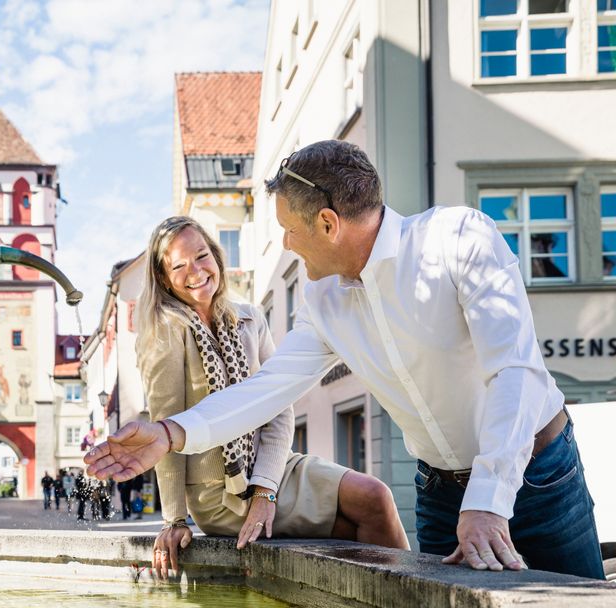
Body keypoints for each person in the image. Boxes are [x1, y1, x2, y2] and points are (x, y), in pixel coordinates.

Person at [86, 140, 605, 580]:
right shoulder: (324, 301)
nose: (287, 244)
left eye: (290, 229)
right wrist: (170, 433)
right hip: (442, 493)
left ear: (329, 225)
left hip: (539, 474)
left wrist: (489, 500)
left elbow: (512, 371)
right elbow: (267, 389)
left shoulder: (458, 239)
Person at [135, 216, 409, 578]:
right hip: (222, 493)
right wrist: (174, 519)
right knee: (353, 530)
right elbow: (164, 433)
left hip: (273, 468)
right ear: (164, 278)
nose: (195, 271)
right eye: (179, 266)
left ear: (216, 257)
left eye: (201, 256)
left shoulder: (250, 318)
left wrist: (266, 490)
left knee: (375, 496)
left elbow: (279, 406)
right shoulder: (167, 334)